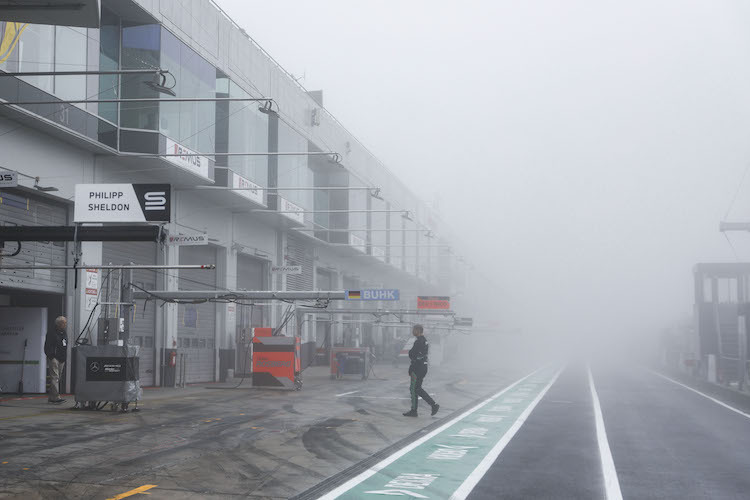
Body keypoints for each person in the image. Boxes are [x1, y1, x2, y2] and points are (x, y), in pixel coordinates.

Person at [403, 324, 439, 417]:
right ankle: (418, 409)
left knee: (414, 389)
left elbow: (413, 355)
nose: (412, 331)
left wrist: (412, 366)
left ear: (418, 330)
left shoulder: (419, 342)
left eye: (414, 330)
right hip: (423, 367)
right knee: (416, 389)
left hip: (417, 368)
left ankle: (430, 405)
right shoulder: (424, 341)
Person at [44, 316, 68, 404]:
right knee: (55, 378)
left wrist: (64, 357)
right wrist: (51, 356)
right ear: (58, 324)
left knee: (58, 378)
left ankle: (51, 397)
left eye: (65, 323)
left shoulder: (64, 333)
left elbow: (64, 345)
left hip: (62, 358)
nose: (65, 324)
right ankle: (56, 397)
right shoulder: (51, 333)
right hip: (54, 358)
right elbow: (47, 346)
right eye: (64, 323)